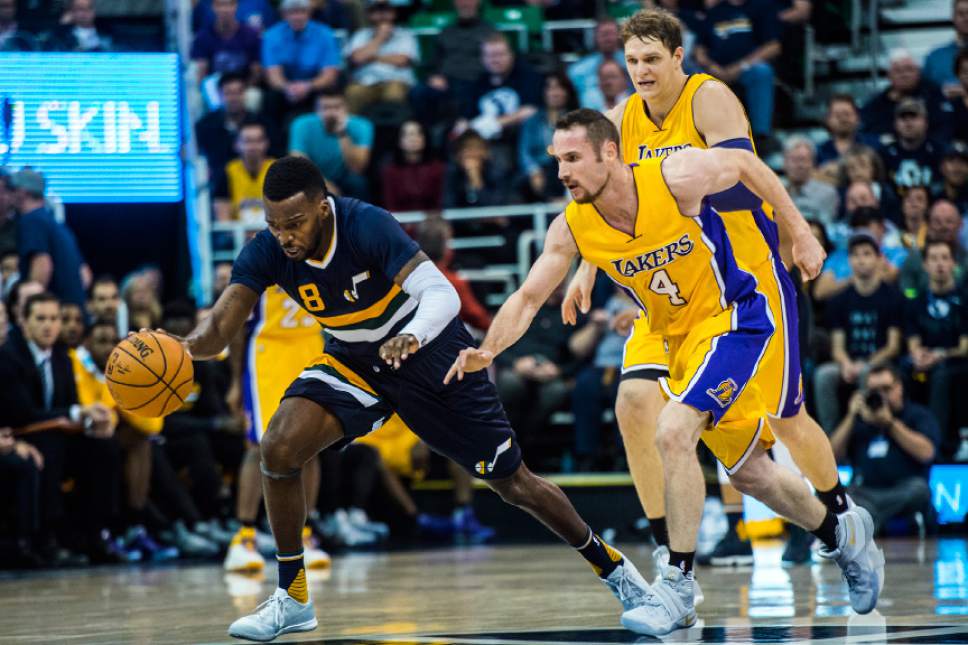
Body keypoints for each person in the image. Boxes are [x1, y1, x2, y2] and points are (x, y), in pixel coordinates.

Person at [157, 155, 651, 641]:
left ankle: (613, 568)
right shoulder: (267, 250)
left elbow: (442, 295)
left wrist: (413, 336)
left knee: (514, 484)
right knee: (278, 448)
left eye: (295, 223)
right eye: (274, 224)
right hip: (356, 360)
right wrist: (181, 348)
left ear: (323, 208)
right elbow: (221, 328)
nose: (284, 235)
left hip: (433, 354)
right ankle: (293, 596)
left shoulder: (367, 224)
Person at [448, 110, 884, 635]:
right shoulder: (573, 226)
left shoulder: (674, 177)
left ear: (610, 153)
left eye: (573, 158)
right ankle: (844, 536)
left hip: (736, 321)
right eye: (556, 160)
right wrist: (487, 351)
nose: (562, 172)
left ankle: (676, 584)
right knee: (752, 474)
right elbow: (528, 297)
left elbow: (746, 164)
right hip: (680, 342)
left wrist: (799, 233)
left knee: (674, 430)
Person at [561, 8, 850, 572]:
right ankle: (677, 547)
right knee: (638, 403)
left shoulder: (707, 99)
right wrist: (587, 267)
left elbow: (751, 171)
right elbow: (595, 192)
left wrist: (800, 232)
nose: (640, 70)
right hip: (683, 281)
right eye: (632, 61)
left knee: (782, 415)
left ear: (677, 57)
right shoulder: (621, 119)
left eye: (651, 59)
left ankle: (837, 512)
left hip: (747, 272)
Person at [0, 292, 118, 565]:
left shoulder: (63, 356)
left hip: (56, 432)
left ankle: (96, 532)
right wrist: (78, 412)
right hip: (23, 433)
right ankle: (47, 538)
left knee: (103, 445)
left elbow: (71, 404)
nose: (49, 325)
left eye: (54, 319)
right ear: (24, 322)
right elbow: (23, 413)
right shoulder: (9, 356)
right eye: (40, 319)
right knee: (51, 444)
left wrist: (91, 421)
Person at [224, 284, 331, 573]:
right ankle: (243, 538)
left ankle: (303, 536)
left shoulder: (328, 245)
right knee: (261, 446)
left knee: (311, 447)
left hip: (310, 349)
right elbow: (235, 321)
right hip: (267, 353)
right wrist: (236, 381)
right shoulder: (260, 252)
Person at [830, 365, 939, 533]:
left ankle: (871, 519)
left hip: (903, 489)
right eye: (874, 390)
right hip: (865, 492)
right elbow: (832, 457)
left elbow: (927, 453)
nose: (881, 395)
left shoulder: (917, 415)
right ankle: (871, 517)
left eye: (886, 389)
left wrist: (890, 423)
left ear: (899, 387)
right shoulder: (860, 421)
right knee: (837, 495)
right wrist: (851, 416)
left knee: (919, 490)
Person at [813, 232, 904, 432]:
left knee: (866, 374)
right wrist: (846, 364)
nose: (861, 260)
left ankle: (866, 431)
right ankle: (832, 436)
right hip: (849, 363)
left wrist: (866, 364)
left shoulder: (892, 297)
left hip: (881, 362)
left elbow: (893, 346)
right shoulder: (840, 300)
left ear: (879, 259)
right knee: (823, 374)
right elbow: (837, 347)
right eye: (855, 255)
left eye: (866, 254)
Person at [903, 239, 968, 457]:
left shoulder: (965, 299)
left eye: (944, 258)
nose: (939, 264)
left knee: (942, 375)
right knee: (904, 369)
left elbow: (965, 346)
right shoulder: (915, 302)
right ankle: (904, 440)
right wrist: (918, 355)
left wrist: (939, 355)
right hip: (926, 362)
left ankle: (937, 443)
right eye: (933, 258)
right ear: (925, 265)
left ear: (953, 264)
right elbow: (913, 343)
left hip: (957, 362)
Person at [692, 0, 781, 143]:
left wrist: (741, 66)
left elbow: (773, 46)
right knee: (693, 78)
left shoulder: (762, 7)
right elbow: (699, 49)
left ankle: (761, 136)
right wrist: (711, 66)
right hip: (716, 69)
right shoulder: (715, 11)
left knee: (763, 72)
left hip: (748, 68)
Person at [13, 169, 90, 308]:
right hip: (72, 315)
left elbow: (43, 265)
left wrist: (29, 310)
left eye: (11, 189)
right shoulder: (58, 226)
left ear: (22, 193)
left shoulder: (32, 220)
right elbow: (85, 276)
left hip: (53, 316)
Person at [289, 89, 374, 200]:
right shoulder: (301, 124)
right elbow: (298, 162)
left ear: (346, 108)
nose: (331, 113)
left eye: (337, 107)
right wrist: (323, 184)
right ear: (316, 110)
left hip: (343, 176)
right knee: (297, 180)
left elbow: (357, 168)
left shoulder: (362, 125)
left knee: (357, 182)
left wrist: (342, 134)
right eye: (325, 108)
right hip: (313, 176)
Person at [261, 0, 340, 118]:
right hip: (285, 87)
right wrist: (287, 88)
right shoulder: (272, 35)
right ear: (284, 15)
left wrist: (307, 86)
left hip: (315, 85)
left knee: (330, 91)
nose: (297, 17)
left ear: (309, 13)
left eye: (302, 12)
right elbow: (273, 75)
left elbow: (329, 74)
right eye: (292, 12)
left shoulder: (325, 34)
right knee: (270, 98)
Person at [195, 73, 282, 179]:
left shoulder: (264, 123)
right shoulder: (204, 126)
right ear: (219, 95)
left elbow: (275, 156)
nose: (234, 98)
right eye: (228, 93)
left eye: (239, 92)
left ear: (245, 93)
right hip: (218, 183)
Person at [343, 0, 418, 114]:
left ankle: (393, 130)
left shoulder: (405, 34)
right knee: (353, 92)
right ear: (369, 14)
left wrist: (372, 57)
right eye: (377, 11)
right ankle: (352, 129)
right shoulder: (360, 35)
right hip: (365, 83)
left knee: (394, 92)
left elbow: (402, 60)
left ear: (393, 13)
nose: (382, 15)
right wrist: (379, 39)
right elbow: (357, 59)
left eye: (386, 10)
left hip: (396, 81)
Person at [518, 72, 579, 203]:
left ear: (567, 91)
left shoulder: (578, 120)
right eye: (550, 88)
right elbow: (524, 152)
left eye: (559, 88)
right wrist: (534, 171)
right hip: (541, 171)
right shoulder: (532, 121)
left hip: (570, 169)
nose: (554, 93)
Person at [860, 50, 949, 138]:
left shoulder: (934, 95)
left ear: (918, 72)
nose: (904, 75)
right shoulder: (875, 105)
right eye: (898, 71)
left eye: (909, 69)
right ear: (889, 75)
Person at [190, 0, 262, 98]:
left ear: (236, 6)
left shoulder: (250, 34)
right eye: (221, 5)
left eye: (229, 5)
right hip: (215, 86)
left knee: (254, 96)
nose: (225, 10)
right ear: (213, 7)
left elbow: (256, 71)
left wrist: (240, 89)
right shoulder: (203, 37)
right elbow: (201, 72)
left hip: (244, 86)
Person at [877, 98, 943, 198]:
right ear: (895, 124)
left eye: (913, 117)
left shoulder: (939, 152)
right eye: (903, 117)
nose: (908, 122)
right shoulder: (884, 155)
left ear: (925, 122)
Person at [212, 120, 275, 223]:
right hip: (238, 236)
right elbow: (223, 219)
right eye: (247, 141)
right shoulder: (227, 172)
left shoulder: (277, 169)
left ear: (266, 143)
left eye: (258, 141)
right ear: (236, 145)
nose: (253, 146)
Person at [379, 121, 445, 213]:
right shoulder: (390, 171)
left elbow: (440, 203)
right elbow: (390, 204)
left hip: (431, 222)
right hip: (400, 221)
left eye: (418, 134)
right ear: (399, 141)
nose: (413, 138)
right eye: (408, 135)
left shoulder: (437, 168)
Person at [567, 19, 627, 112]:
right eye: (603, 34)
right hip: (590, 117)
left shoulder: (632, 61)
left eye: (611, 33)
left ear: (619, 36)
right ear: (595, 37)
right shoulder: (577, 70)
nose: (607, 38)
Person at [782, 136, 839, 226]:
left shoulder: (828, 193)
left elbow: (826, 227)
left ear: (813, 163)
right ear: (785, 163)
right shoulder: (778, 190)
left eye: (804, 160)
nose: (800, 165)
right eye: (795, 160)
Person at [815, 95, 879, 170]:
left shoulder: (874, 146)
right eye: (837, 115)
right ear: (827, 120)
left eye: (847, 114)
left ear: (857, 117)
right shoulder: (818, 152)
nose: (843, 119)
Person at [923, 0, 968, 97]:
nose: (966, 18)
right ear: (953, 17)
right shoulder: (935, 57)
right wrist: (941, 92)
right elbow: (924, 93)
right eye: (961, 14)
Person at [47, 0, 113, 52]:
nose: (84, 12)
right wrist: (61, 27)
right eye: (80, 9)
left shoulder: (108, 35)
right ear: (71, 12)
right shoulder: (61, 38)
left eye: (88, 8)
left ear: (94, 11)